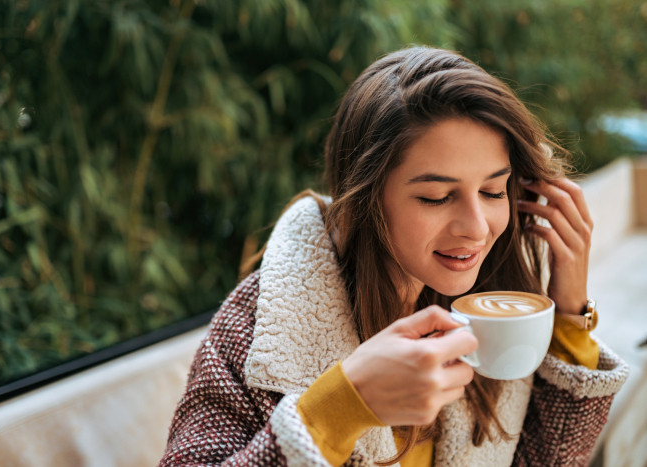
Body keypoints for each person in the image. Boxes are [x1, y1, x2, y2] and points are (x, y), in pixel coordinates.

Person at [158, 46, 628, 466]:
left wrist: (569, 311)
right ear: (365, 200)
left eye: (492, 190)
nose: (478, 227)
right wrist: (341, 407)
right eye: (436, 197)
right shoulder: (258, 328)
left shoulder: (485, 305)